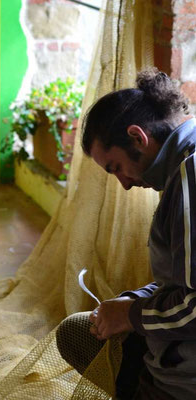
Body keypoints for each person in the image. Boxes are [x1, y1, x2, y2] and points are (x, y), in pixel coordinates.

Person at [56, 68, 196, 400]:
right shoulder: (181, 167)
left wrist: (131, 315)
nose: (125, 183)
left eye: (116, 167)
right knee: (79, 331)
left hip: (187, 375)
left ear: (137, 137)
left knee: (83, 337)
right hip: (176, 347)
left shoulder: (190, 180)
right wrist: (133, 301)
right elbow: (178, 282)